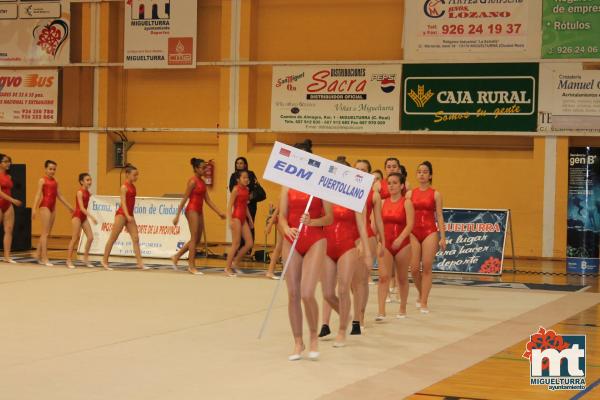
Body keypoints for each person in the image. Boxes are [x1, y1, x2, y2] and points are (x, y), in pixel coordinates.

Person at [279, 139, 333, 361]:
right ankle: (298, 341)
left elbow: (329, 217)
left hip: (315, 239)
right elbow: (281, 215)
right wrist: (285, 227)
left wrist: (312, 221)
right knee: (292, 293)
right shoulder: (287, 184)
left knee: (307, 292)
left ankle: (313, 336)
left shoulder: (321, 185)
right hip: (291, 238)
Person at [320, 158, 372, 347]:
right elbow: (321, 220)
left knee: (343, 288)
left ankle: (342, 331)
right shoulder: (324, 194)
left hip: (347, 246)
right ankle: (346, 314)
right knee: (327, 293)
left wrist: (366, 251)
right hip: (327, 246)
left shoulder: (355, 196)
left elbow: (362, 226)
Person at [172, 158, 226, 275]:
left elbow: (208, 200)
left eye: (205, 168)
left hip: (199, 211)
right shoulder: (192, 181)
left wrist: (219, 212)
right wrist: (177, 215)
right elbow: (184, 199)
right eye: (202, 168)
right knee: (194, 237)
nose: (204, 170)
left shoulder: (202, 182)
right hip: (191, 210)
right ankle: (191, 266)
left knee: (196, 240)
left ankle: (176, 256)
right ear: (196, 169)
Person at [407, 161, 446, 314]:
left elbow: (440, 216)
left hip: (430, 231)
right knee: (415, 269)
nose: (422, 174)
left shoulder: (436, 194)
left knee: (427, 267)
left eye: (425, 172)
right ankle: (421, 292)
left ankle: (424, 301)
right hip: (414, 232)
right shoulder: (410, 194)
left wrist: (443, 237)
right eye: (419, 172)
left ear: (430, 175)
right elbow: (406, 214)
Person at [352, 159, 385, 333]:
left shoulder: (374, 195)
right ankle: (356, 312)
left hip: (367, 237)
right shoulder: (345, 190)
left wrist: (383, 241)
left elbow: (378, 219)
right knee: (350, 281)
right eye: (357, 169)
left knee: (362, 279)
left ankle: (360, 316)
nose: (359, 172)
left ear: (369, 175)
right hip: (349, 236)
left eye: (363, 170)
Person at [377, 173, 414, 320]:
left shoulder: (407, 202)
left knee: (402, 278)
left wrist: (400, 238)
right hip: (386, 243)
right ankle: (381, 311)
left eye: (395, 183)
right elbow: (377, 224)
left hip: (402, 244)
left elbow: (410, 224)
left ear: (402, 186)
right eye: (389, 183)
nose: (391, 185)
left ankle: (403, 307)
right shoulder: (382, 202)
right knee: (383, 277)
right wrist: (379, 240)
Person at [101, 164, 147, 271]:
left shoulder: (133, 187)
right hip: (122, 214)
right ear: (127, 174)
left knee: (135, 238)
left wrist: (130, 216)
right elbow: (123, 203)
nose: (136, 177)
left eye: (137, 175)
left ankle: (140, 263)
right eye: (134, 175)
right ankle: (104, 260)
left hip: (130, 215)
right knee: (113, 237)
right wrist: (127, 215)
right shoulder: (124, 187)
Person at [32, 160, 73, 266]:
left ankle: (37, 254)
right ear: (45, 169)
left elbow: (59, 195)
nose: (52, 171)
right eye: (50, 169)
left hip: (52, 207)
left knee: (47, 233)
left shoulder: (55, 181)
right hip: (44, 205)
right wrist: (33, 208)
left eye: (54, 169)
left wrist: (69, 206)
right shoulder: (42, 180)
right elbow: (37, 195)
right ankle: (45, 258)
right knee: (45, 233)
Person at [224, 170, 254, 277]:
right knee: (236, 244)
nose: (246, 179)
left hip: (243, 219)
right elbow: (229, 206)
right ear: (238, 179)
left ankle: (235, 262)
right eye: (244, 178)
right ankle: (227, 268)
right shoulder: (235, 190)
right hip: (236, 218)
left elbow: (245, 207)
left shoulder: (246, 189)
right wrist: (230, 220)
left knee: (249, 243)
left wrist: (250, 220)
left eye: (247, 178)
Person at [66, 173, 97, 269]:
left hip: (83, 217)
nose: (90, 182)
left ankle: (85, 258)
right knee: (75, 238)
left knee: (91, 237)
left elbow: (90, 197)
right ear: (81, 182)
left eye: (90, 180)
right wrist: (91, 216)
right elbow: (82, 208)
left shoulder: (88, 192)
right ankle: (68, 260)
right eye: (87, 180)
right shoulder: (79, 192)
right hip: (78, 216)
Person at [228, 157, 262, 246]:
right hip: (239, 204)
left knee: (250, 225)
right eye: (237, 163)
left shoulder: (251, 174)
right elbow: (232, 189)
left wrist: (248, 197)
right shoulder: (233, 176)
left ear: (245, 164)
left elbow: (255, 186)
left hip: (250, 204)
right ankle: (238, 247)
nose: (239, 165)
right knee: (238, 227)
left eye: (241, 163)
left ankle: (248, 248)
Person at [0, 154, 23, 263]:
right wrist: (13, 200)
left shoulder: (8, 177)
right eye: (5, 161)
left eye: (9, 161)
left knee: (9, 230)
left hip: (7, 205)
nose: (8, 163)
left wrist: (10, 202)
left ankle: (7, 256)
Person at [265, 204, 281, 280]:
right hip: (283, 220)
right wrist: (269, 225)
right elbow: (278, 209)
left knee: (280, 247)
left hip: (289, 220)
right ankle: (270, 271)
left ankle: (270, 271)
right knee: (279, 247)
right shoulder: (286, 193)